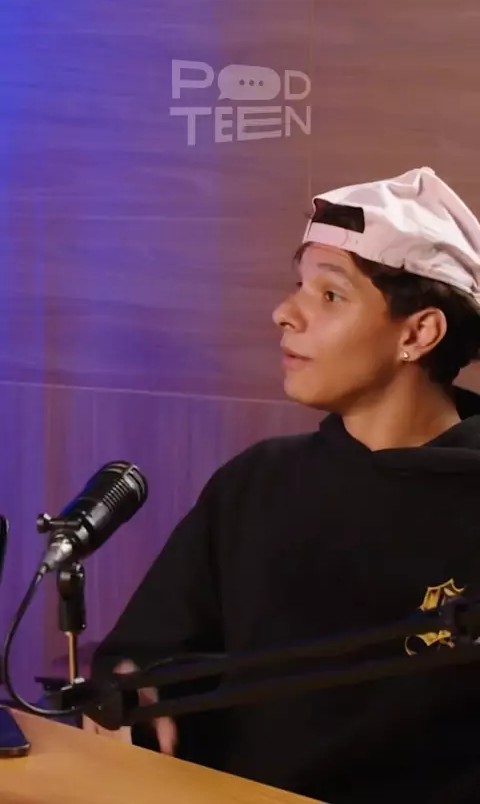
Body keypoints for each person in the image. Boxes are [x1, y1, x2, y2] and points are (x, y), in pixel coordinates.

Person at [91, 167, 480, 803]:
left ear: (418, 333)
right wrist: (131, 686)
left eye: (330, 295)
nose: (284, 313)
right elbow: (146, 653)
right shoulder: (256, 482)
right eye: (298, 286)